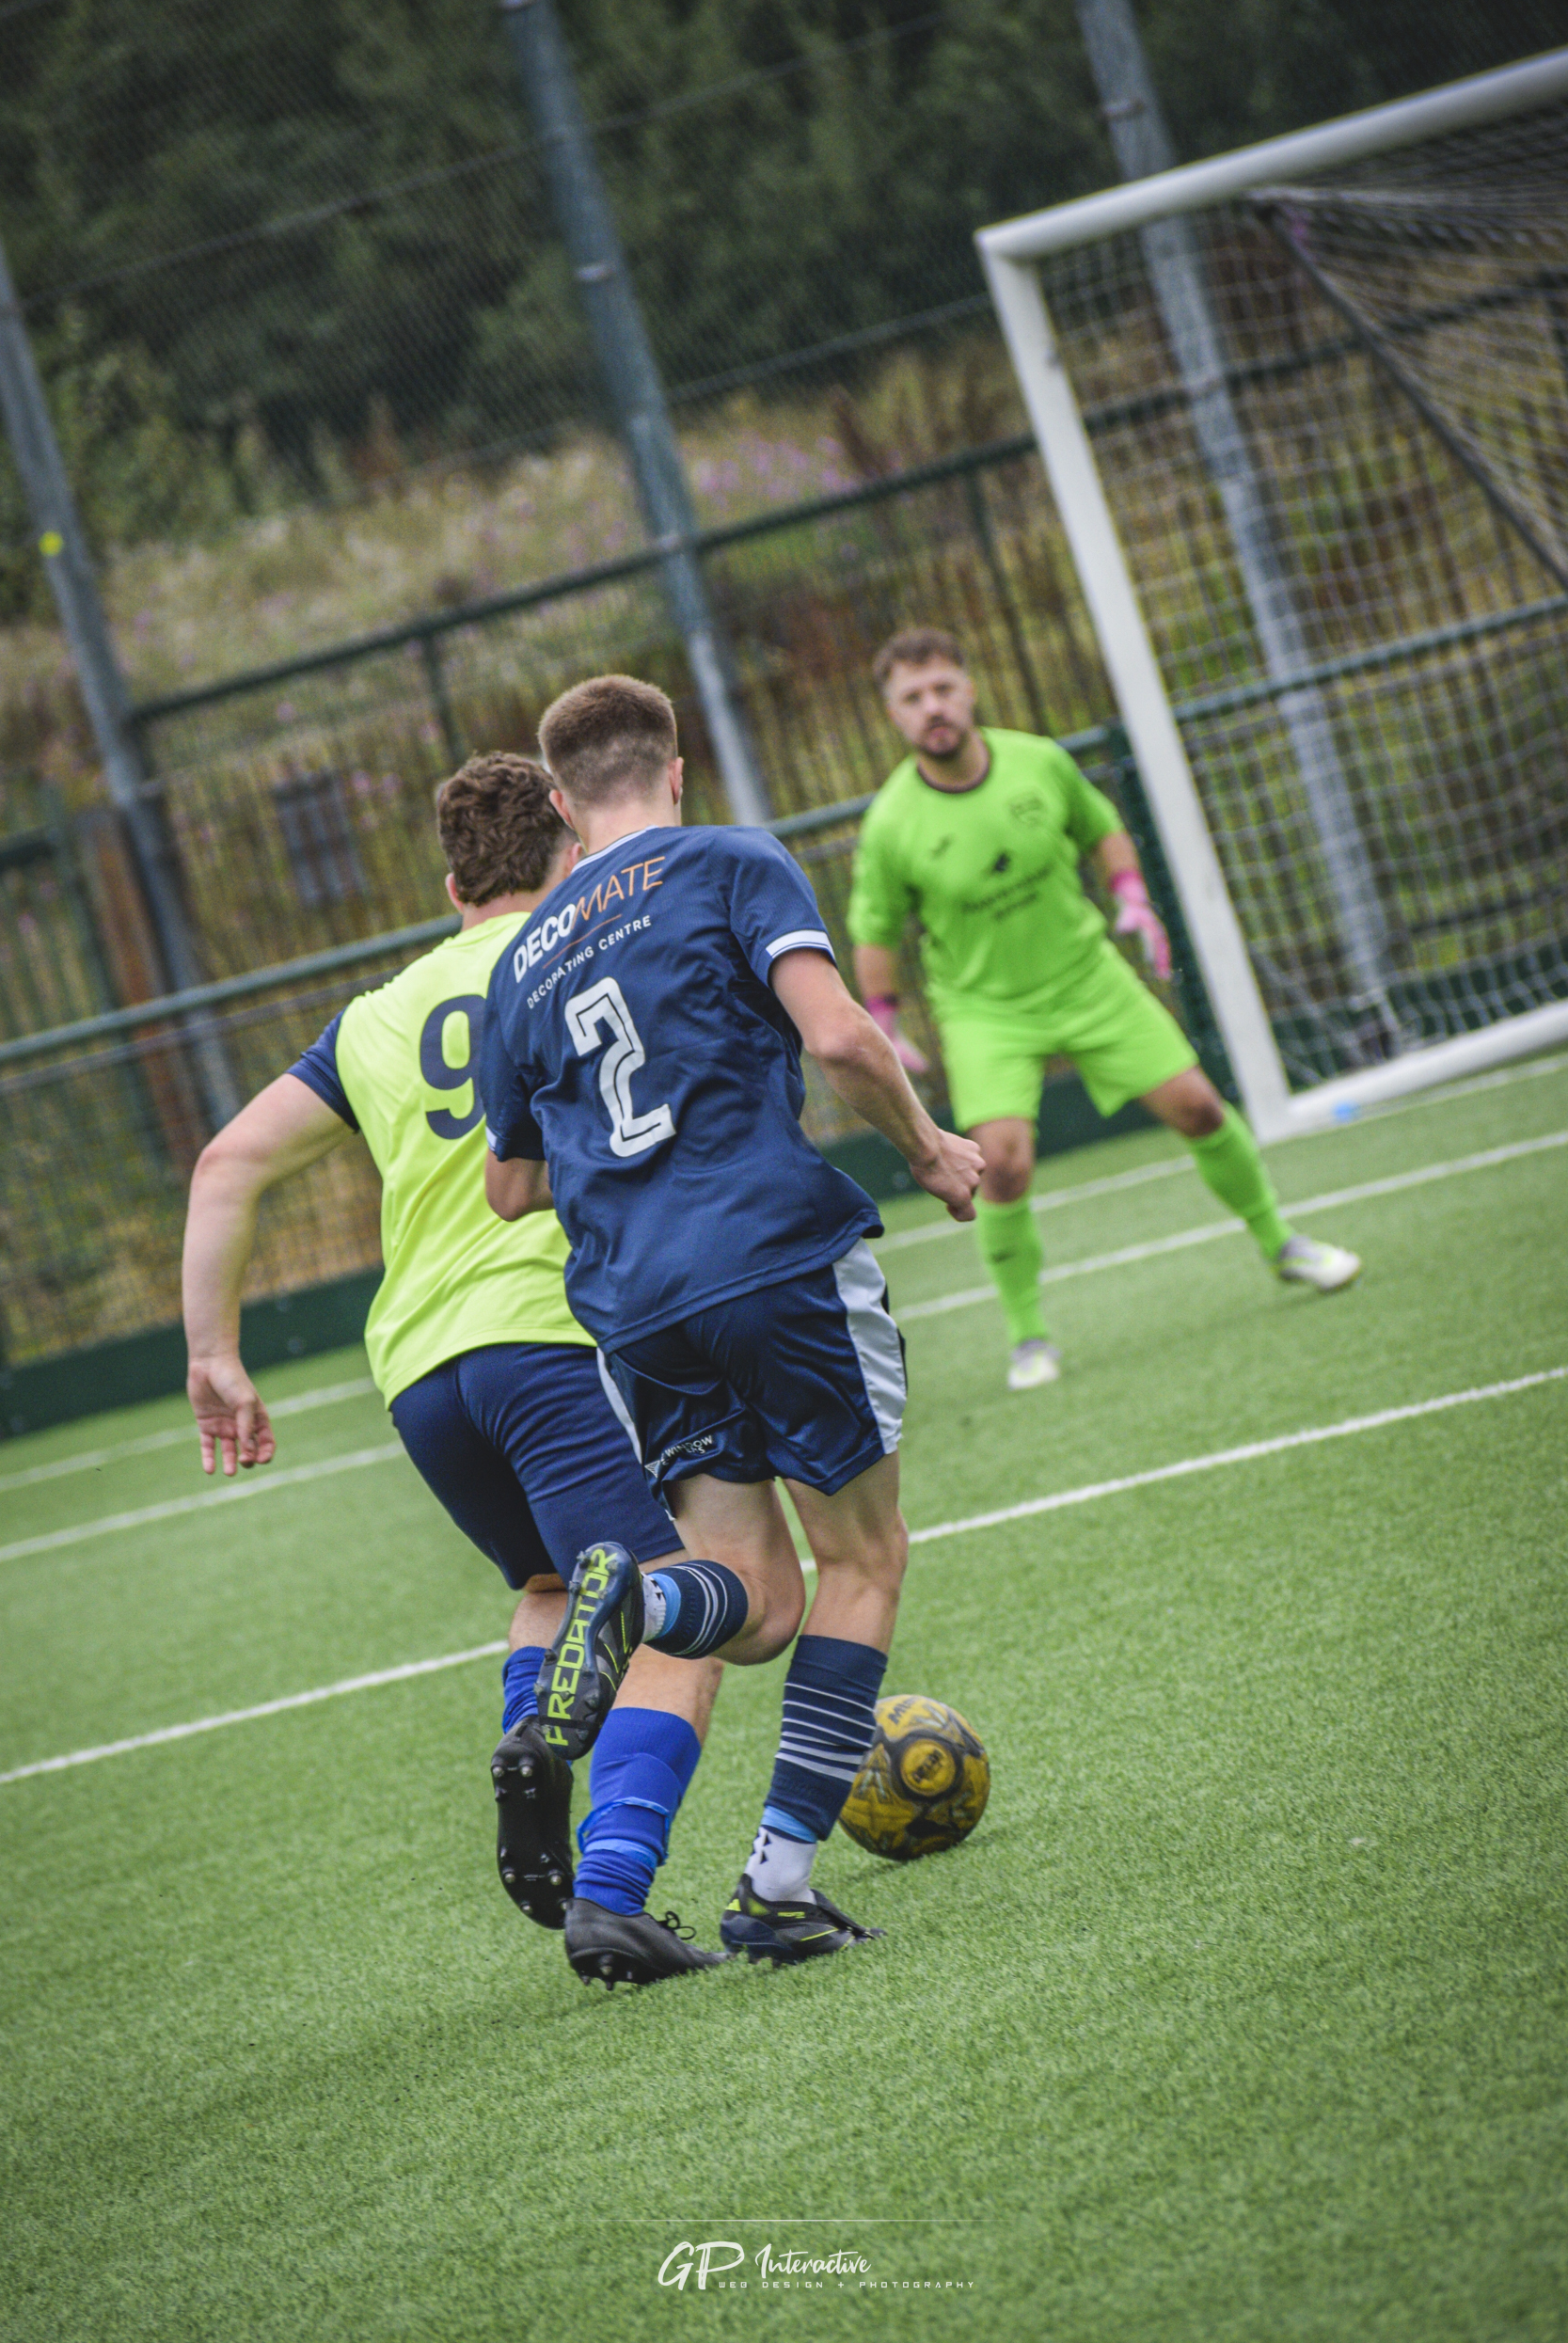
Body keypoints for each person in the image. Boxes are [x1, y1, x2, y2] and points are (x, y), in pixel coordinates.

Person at [182, 752, 746, 1988]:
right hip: (550, 1337)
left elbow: (226, 1162)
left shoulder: (375, 1016)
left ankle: (526, 1747)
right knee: (671, 1610)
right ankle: (612, 1895)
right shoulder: (576, 953)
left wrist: (214, 1353)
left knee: (550, 1587)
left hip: (423, 1373)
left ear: (448, 885)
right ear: (566, 835)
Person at [479, 674, 983, 1966]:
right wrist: (927, 1151)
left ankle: (634, 1609)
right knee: (861, 1560)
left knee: (751, 1603)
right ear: (677, 766)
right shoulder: (726, 862)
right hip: (767, 1255)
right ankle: (774, 1882)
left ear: (556, 800)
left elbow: (510, 1183)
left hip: (632, 1305)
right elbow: (842, 1036)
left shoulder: (522, 959)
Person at [848, 628, 1361, 1391]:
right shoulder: (892, 822)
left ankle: (1282, 1242)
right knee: (1004, 1167)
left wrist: (1130, 898)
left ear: (969, 688)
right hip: (985, 1011)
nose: (933, 708)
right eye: (913, 698)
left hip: (1088, 976)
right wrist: (884, 1021)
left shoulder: (1038, 761)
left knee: (1198, 1110)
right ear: (894, 715)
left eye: (943, 689)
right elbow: (875, 930)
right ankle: (1028, 1337)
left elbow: (1102, 829)